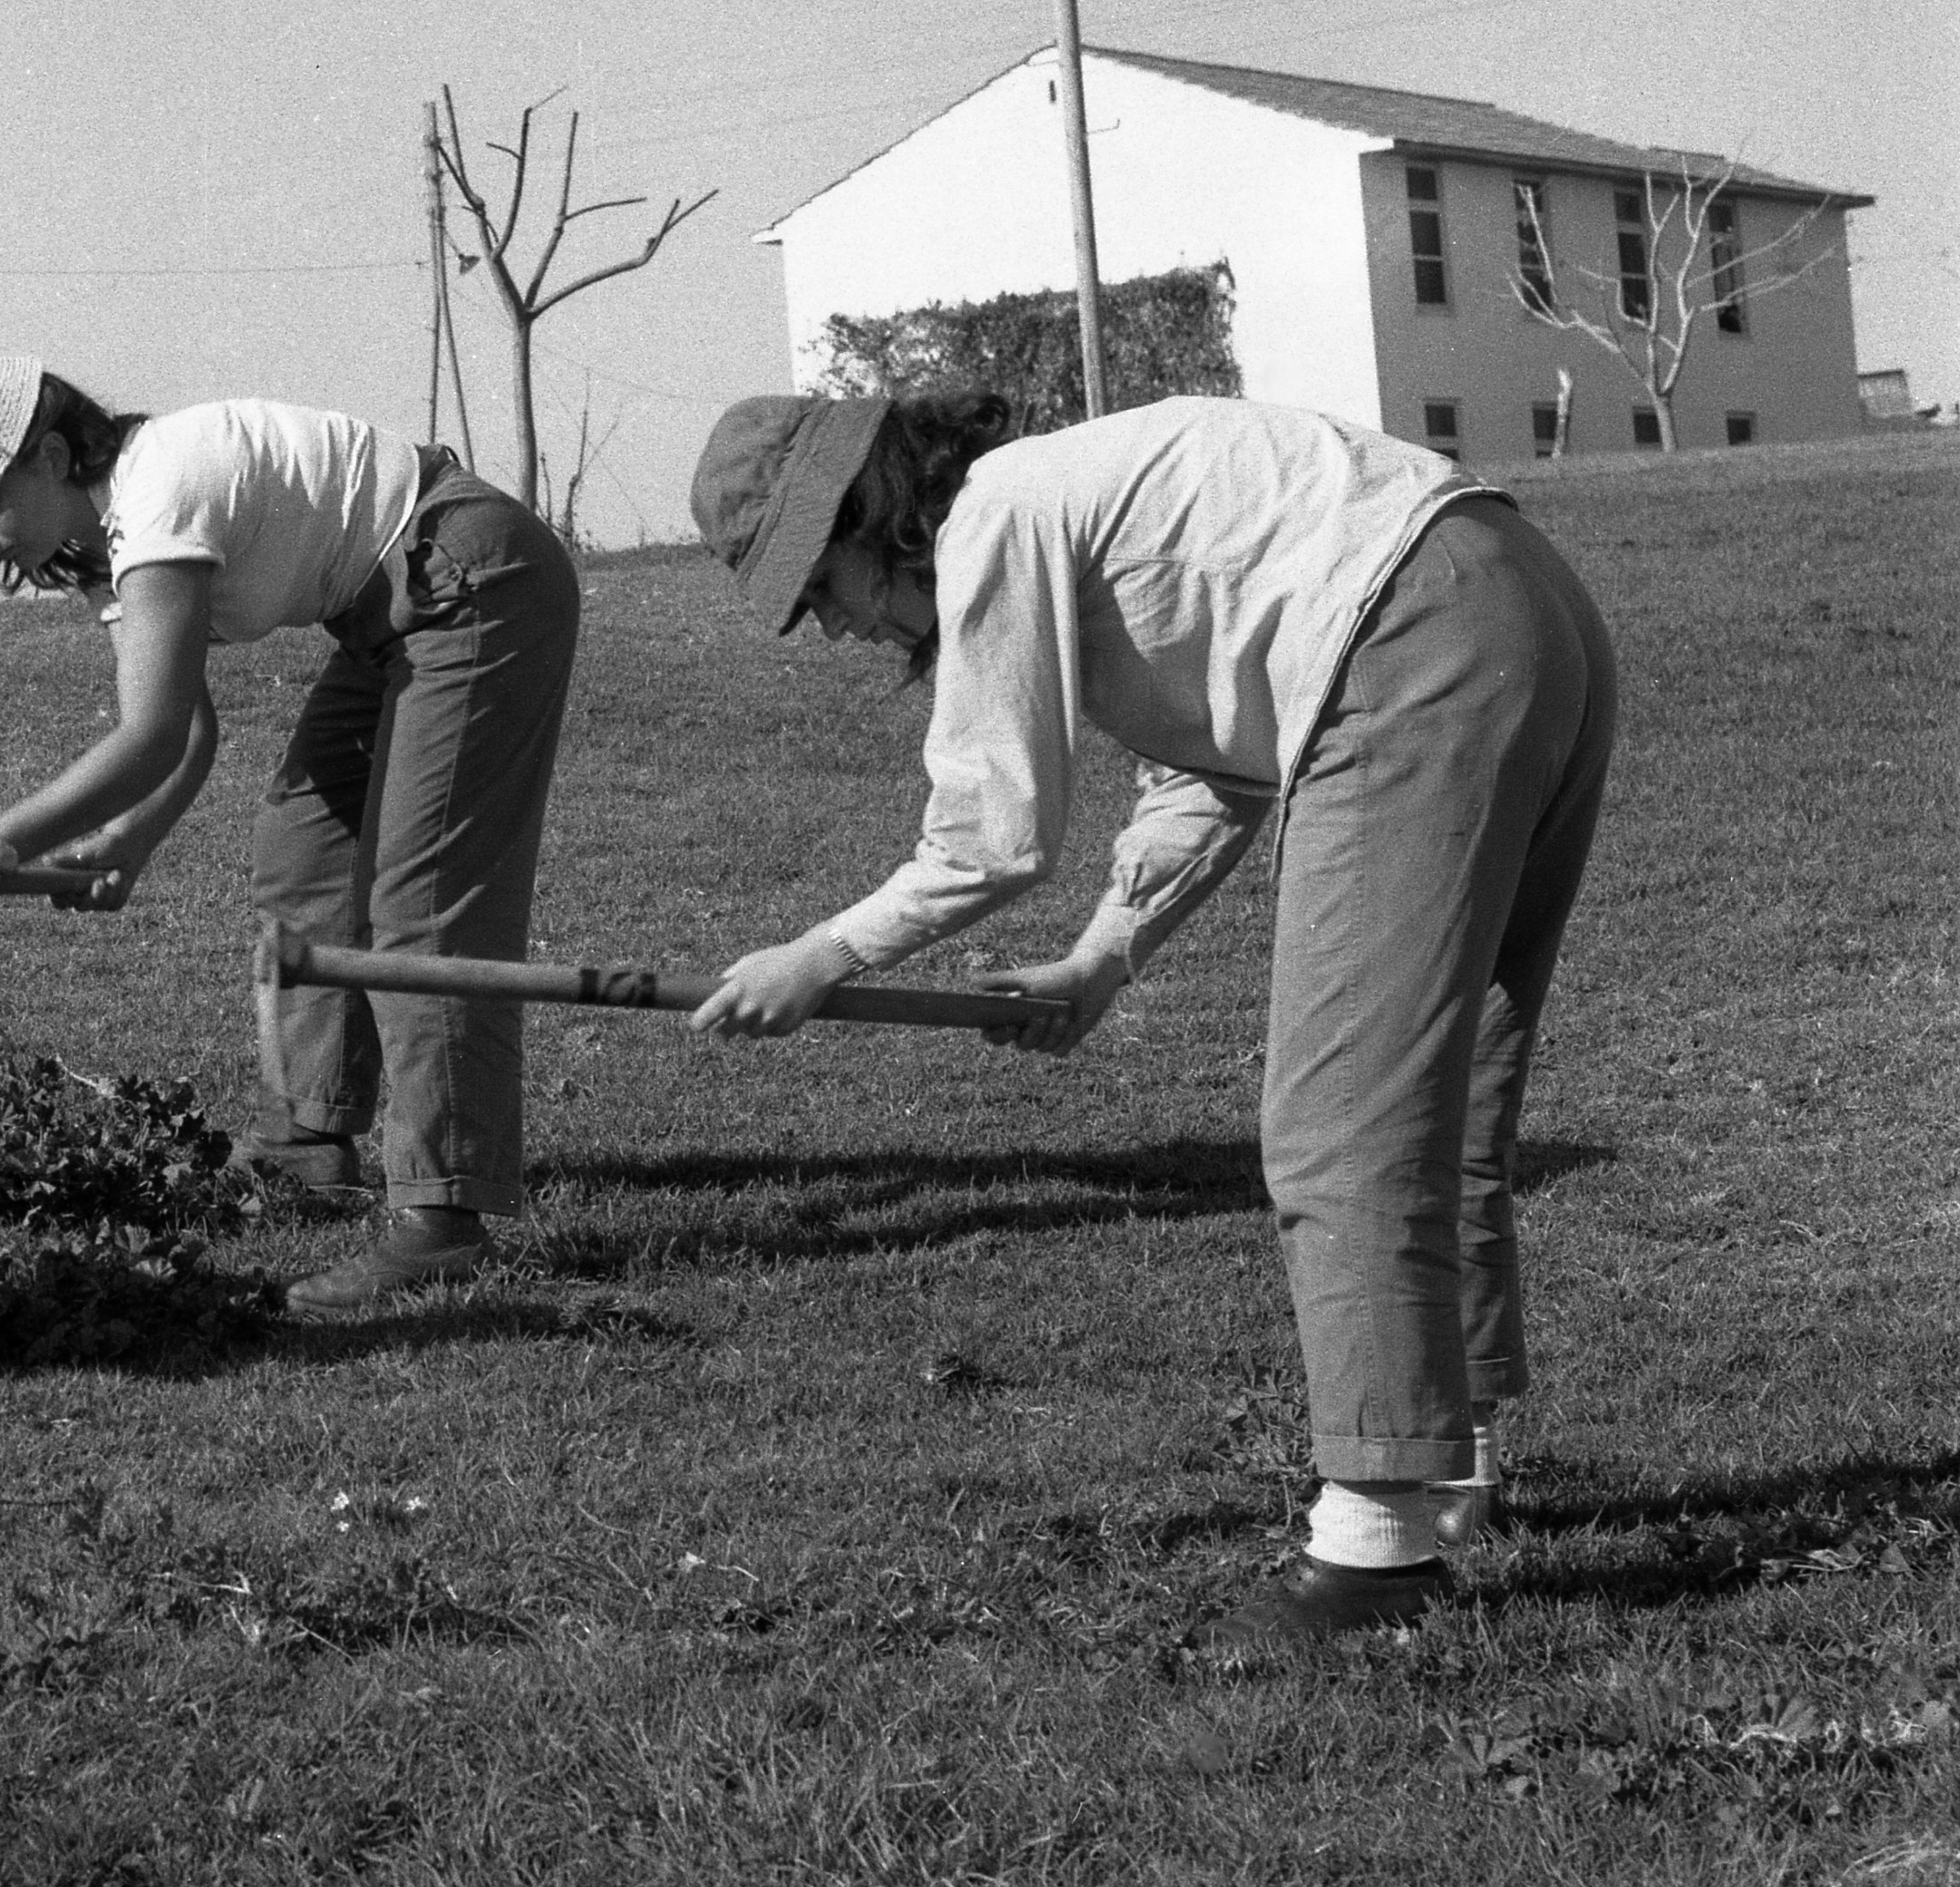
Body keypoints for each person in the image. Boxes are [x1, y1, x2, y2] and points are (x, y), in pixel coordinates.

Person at [683, 387, 1618, 1641]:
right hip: (1521, 602)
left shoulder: (997, 514)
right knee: (1440, 1093)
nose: (837, 625)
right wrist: (1102, 958)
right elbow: (1219, 751)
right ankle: (1451, 1478)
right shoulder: (1082, 500)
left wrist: (821, 952)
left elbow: (989, 836)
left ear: (871, 513)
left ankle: (1373, 1556)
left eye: (820, 585)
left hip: (1412, 643)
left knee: (1339, 1120)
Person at [0, 352, 584, 1317]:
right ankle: (306, 1137)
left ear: (49, 454)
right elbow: (187, 723)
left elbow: (150, 733)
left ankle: (443, 1218)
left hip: (470, 576)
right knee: (304, 848)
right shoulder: (95, 539)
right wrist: (131, 838)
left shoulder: (158, 484)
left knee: (416, 900)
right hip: (380, 619)